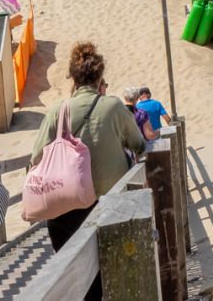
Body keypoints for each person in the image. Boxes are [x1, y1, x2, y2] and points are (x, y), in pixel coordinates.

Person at [31, 42, 145, 301]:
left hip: (64, 212)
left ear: (73, 78)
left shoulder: (57, 111)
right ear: (99, 78)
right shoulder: (113, 106)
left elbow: (36, 157)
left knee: (82, 287)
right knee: (113, 279)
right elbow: (138, 144)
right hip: (108, 208)